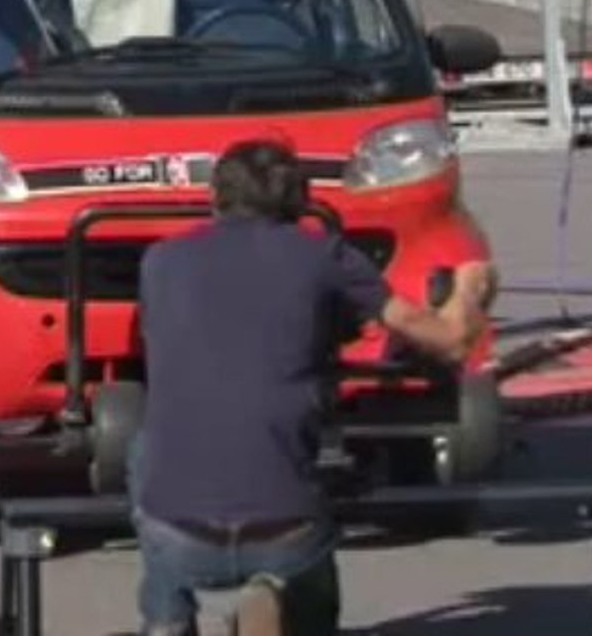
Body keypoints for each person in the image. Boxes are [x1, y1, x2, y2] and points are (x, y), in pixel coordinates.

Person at [131, 138, 497, 634]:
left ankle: (168, 618)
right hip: (286, 526)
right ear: (301, 201)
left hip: (179, 532)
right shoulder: (325, 256)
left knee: (146, 456)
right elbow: (450, 342)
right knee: (303, 497)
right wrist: (472, 285)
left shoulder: (160, 263)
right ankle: (282, 594)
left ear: (215, 197)